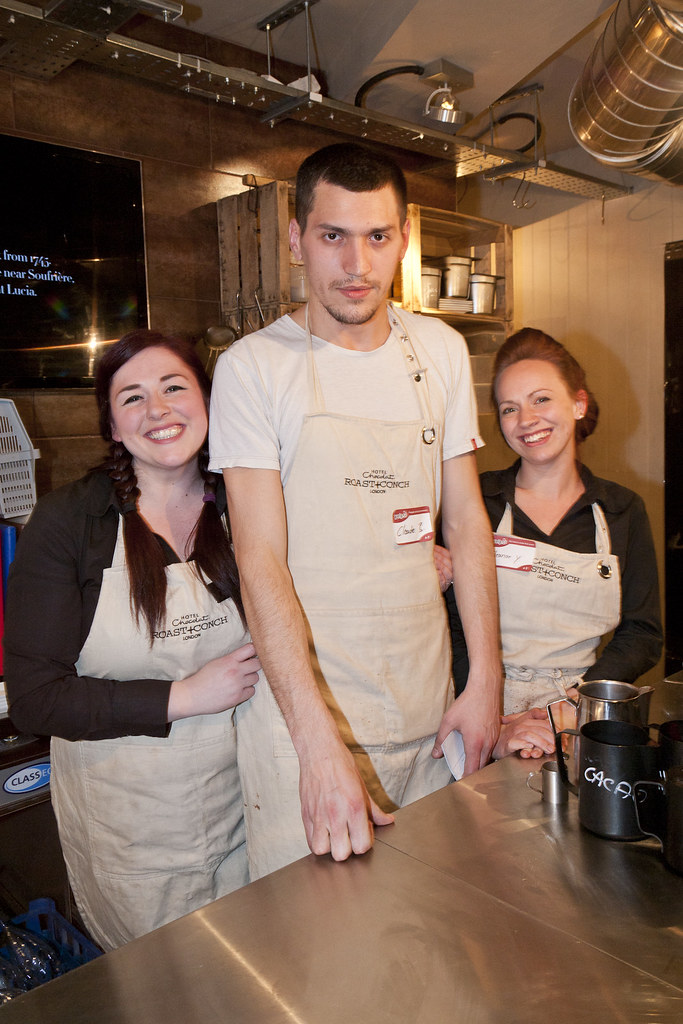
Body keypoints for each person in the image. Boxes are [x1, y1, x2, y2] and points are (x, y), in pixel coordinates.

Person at [209, 142, 502, 879]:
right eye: (331, 235)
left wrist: (484, 683)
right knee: (312, 960)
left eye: (376, 237)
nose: (356, 264)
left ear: (403, 238)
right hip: (303, 723)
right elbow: (259, 558)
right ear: (295, 240)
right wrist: (314, 746)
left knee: (428, 938)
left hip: (427, 709)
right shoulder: (251, 368)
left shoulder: (437, 350)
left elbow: (465, 522)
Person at [3, 330, 261, 951]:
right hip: (135, 836)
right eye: (133, 397)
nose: (159, 410)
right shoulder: (71, 523)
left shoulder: (245, 503)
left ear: (207, 400)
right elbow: (36, 699)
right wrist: (182, 696)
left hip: (246, 808)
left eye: (175, 387)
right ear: (113, 427)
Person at [446, 327, 662, 759]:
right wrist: (495, 719)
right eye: (509, 409)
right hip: (478, 711)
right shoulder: (473, 503)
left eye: (541, 399)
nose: (526, 420)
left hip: (580, 714)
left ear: (579, 403)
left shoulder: (621, 511)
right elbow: (447, 625)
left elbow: (642, 633)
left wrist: (574, 703)